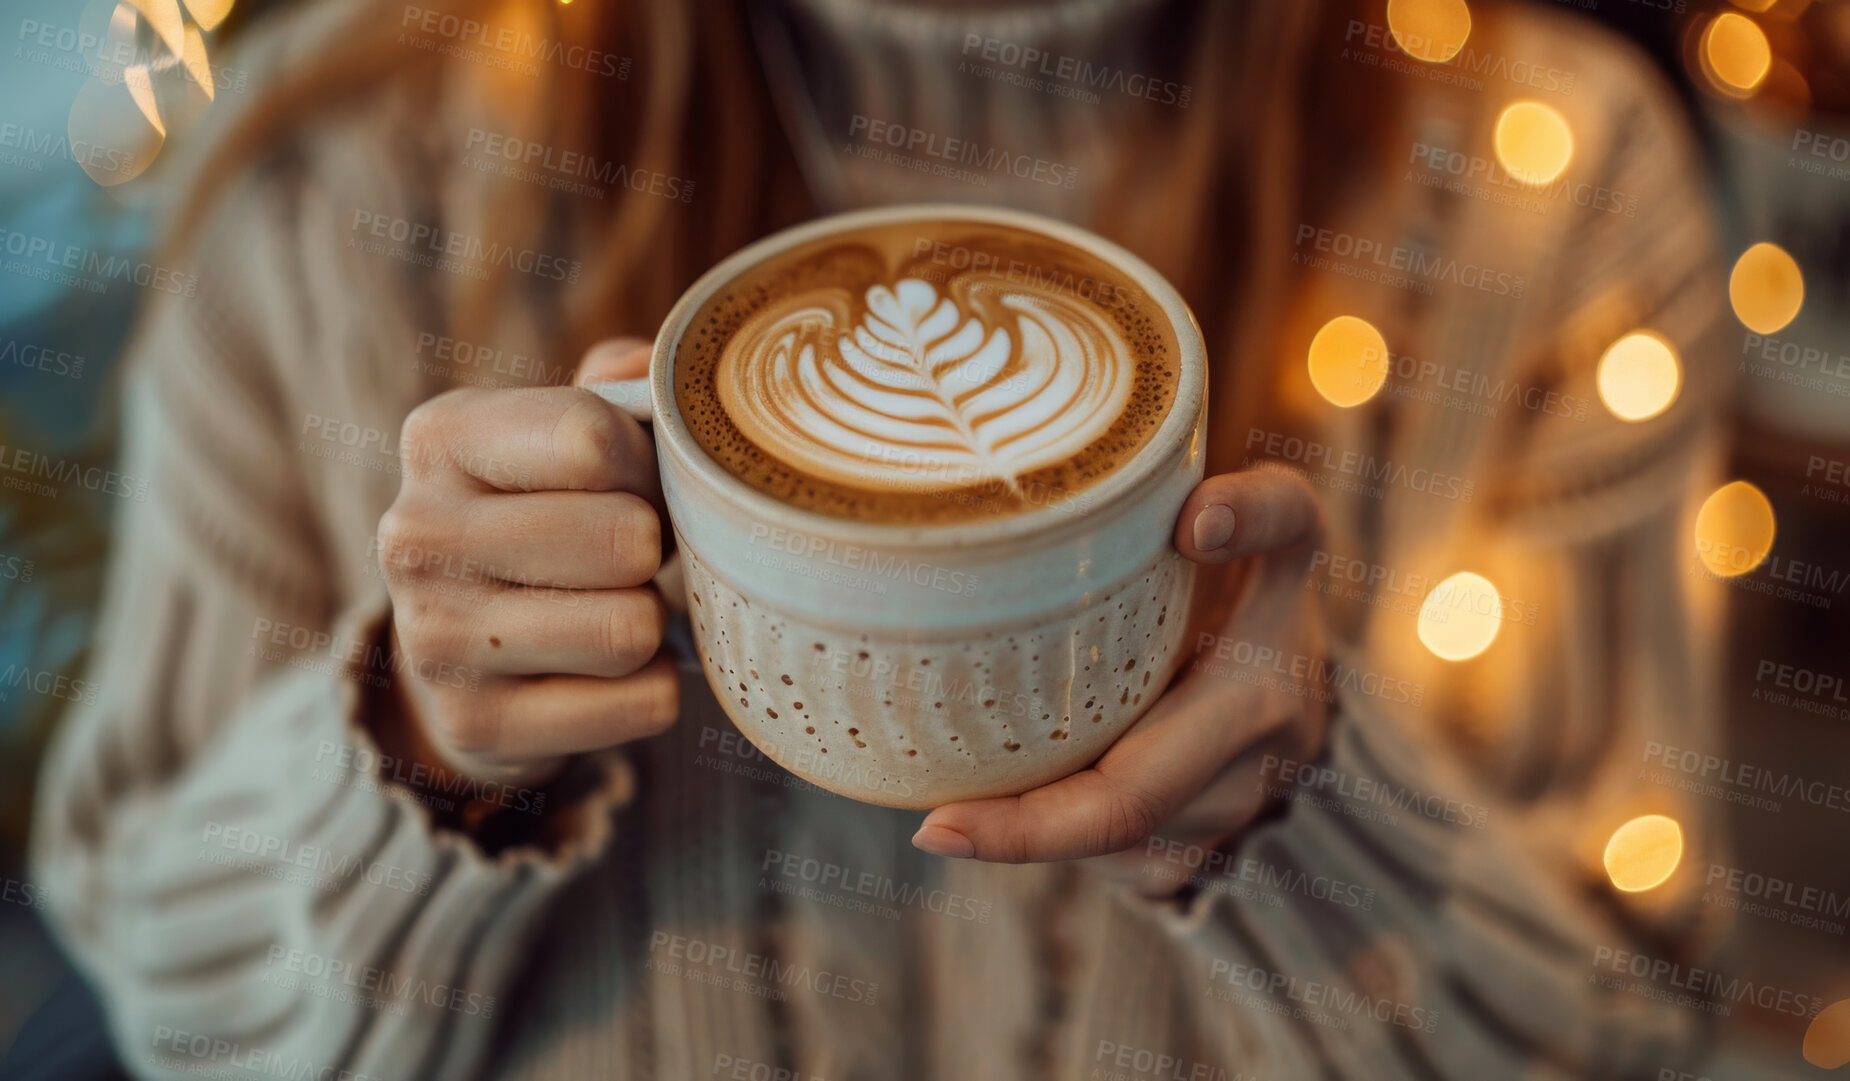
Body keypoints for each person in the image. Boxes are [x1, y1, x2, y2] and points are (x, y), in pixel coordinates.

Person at [32, 0, 1733, 1077]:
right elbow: (174, 1006)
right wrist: (413, 750)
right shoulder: (336, 169)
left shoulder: (1543, 181)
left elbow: (1623, 1029)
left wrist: (1312, 831)